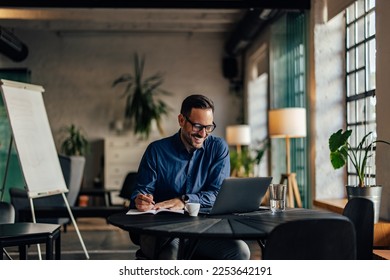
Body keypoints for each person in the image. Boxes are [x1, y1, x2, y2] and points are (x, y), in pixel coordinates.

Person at [130, 94, 250, 260]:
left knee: (240, 251)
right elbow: (142, 190)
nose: (203, 133)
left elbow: (218, 194)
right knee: (171, 252)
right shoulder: (156, 151)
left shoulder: (218, 148)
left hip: (201, 230)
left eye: (209, 127)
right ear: (181, 120)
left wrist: (184, 200)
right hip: (161, 230)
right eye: (197, 126)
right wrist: (141, 199)